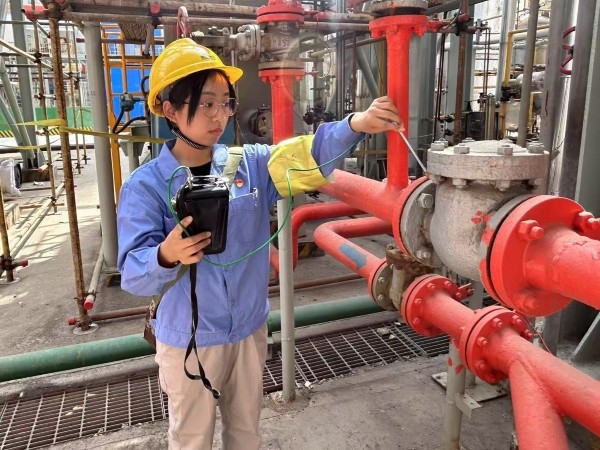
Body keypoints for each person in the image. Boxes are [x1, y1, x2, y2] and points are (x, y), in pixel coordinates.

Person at [117, 38, 404, 450]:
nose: (219, 116)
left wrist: (355, 125)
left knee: (247, 432)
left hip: (248, 329)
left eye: (226, 103)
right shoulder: (145, 186)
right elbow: (132, 272)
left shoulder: (247, 163)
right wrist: (166, 254)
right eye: (206, 103)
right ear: (170, 110)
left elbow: (306, 155)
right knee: (192, 438)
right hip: (190, 340)